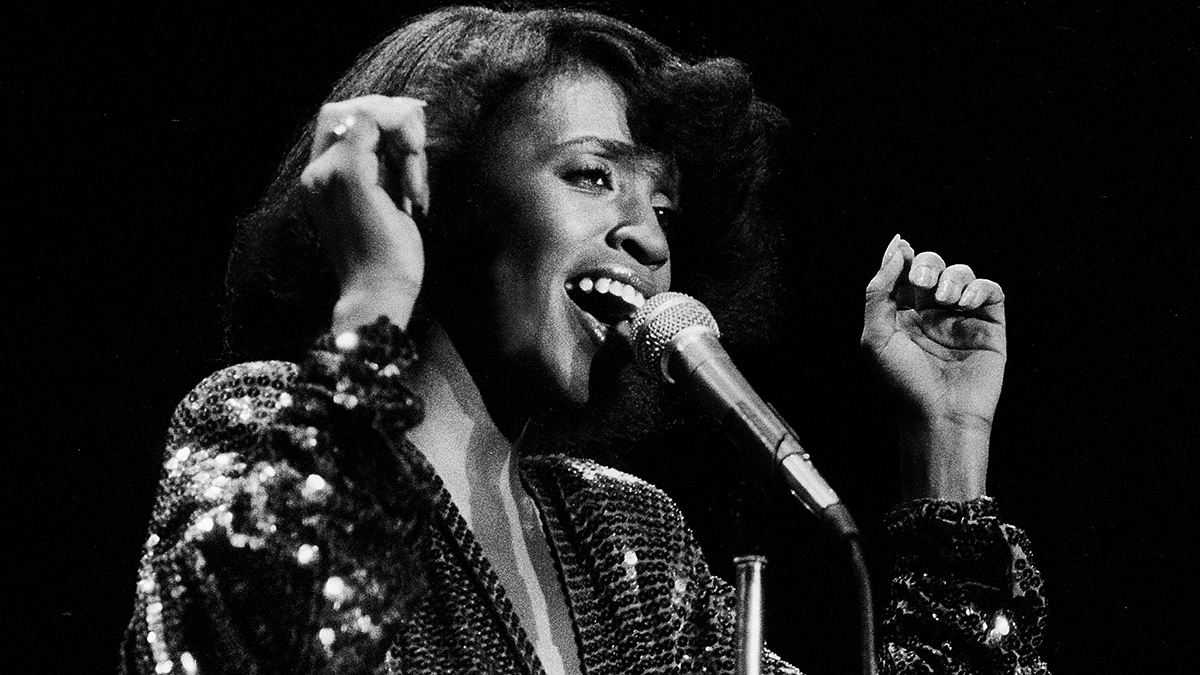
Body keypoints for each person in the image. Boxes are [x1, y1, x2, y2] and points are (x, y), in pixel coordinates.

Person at [120, 6, 1049, 675]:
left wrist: (947, 444)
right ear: (442, 198)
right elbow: (257, 643)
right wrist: (375, 290)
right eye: (594, 175)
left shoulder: (627, 537)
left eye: (664, 205)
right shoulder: (263, 424)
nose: (649, 236)